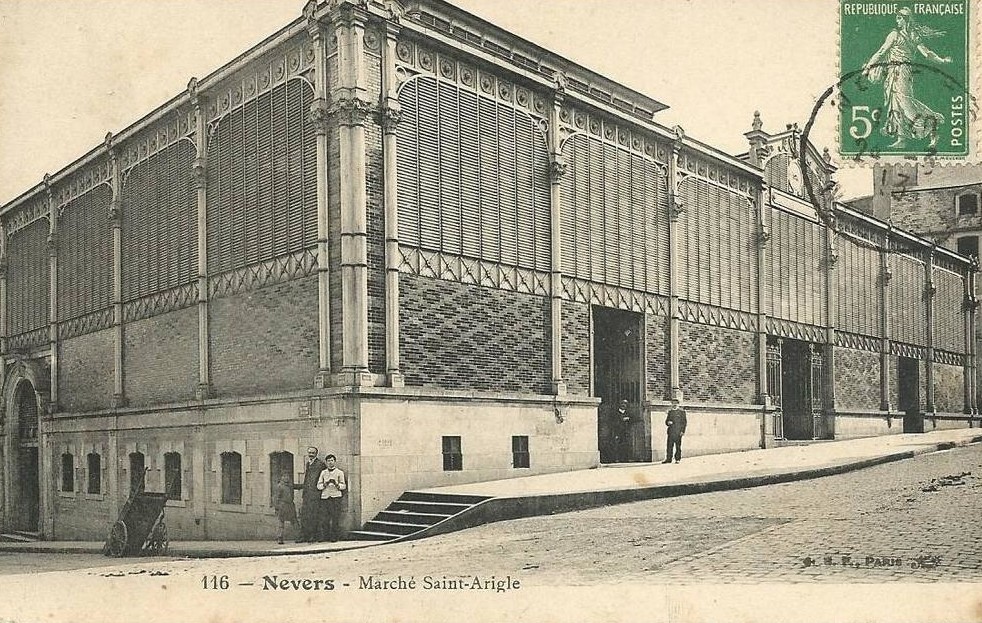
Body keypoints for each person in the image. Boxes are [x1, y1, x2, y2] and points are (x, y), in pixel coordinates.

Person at [862, 7, 952, 149]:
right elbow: (926, 53)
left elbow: (881, 52)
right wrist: (942, 60)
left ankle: (932, 121)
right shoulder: (911, 35)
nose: (897, 21)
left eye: (899, 18)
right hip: (895, 73)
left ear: (905, 20)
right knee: (895, 104)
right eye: (897, 18)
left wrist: (868, 66)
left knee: (904, 102)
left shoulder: (898, 35)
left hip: (902, 73)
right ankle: (901, 138)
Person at [294, 447, 326, 542]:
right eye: (309, 453)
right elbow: (307, 478)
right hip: (307, 494)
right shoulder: (308, 463)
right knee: (305, 516)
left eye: (313, 453)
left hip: (315, 495)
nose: (311, 454)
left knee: (314, 516)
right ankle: (304, 536)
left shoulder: (320, 464)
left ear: (316, 454)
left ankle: (313, 536)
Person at [317, 454, 347, 542]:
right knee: (324, 518)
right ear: (326, 462)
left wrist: (337, 484)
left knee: (335, 517)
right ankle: (325, 536)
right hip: (325, 497)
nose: (330, 462)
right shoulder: (323, 472)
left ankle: (334, 536)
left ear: (335, 461)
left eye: (332, 460)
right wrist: (325, 484)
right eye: (328, 461)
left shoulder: (339, 472)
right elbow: (318, 486)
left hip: (335, 498)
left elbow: (343, 486)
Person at [271, 473, 297, 544]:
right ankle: (280, 538)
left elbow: (296, 486)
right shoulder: (280, 486)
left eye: (288, 476)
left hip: (290, 505)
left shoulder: (290, 485)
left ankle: (298, 537)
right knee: (281, 523)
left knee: (294, 521)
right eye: (284, 476)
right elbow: (276, 498)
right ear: (281, 477)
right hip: (283, 506)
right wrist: (277, 507)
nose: (286, 478)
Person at [662, 399, 687, 464]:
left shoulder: (682, 412)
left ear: (678, 404)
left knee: (678, 446)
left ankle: (677, 459)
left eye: (676, 403)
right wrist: (668, 422)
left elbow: (684, 423)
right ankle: (668, 459)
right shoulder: (670, 412)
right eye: (673, 403)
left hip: (678, 432)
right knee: (669, 446)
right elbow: (666, 421)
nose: (674, 405)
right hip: (671, 432)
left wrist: (682, 431)